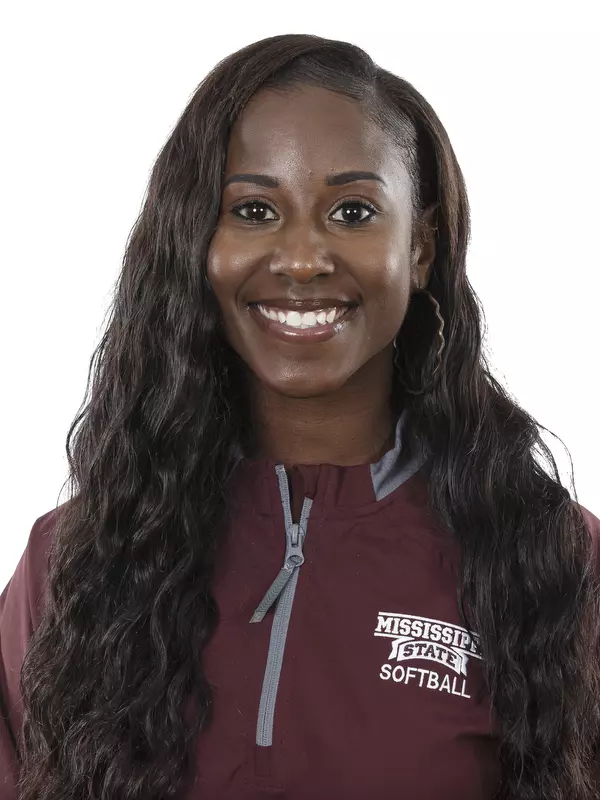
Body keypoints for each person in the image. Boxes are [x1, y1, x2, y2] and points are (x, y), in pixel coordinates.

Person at [1, 33, 599, 800]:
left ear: (420, 248)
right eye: (254, 210)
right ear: (196, 241)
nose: (303, 258)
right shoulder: (76, 564)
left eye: (352, 211)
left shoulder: (554, 563)